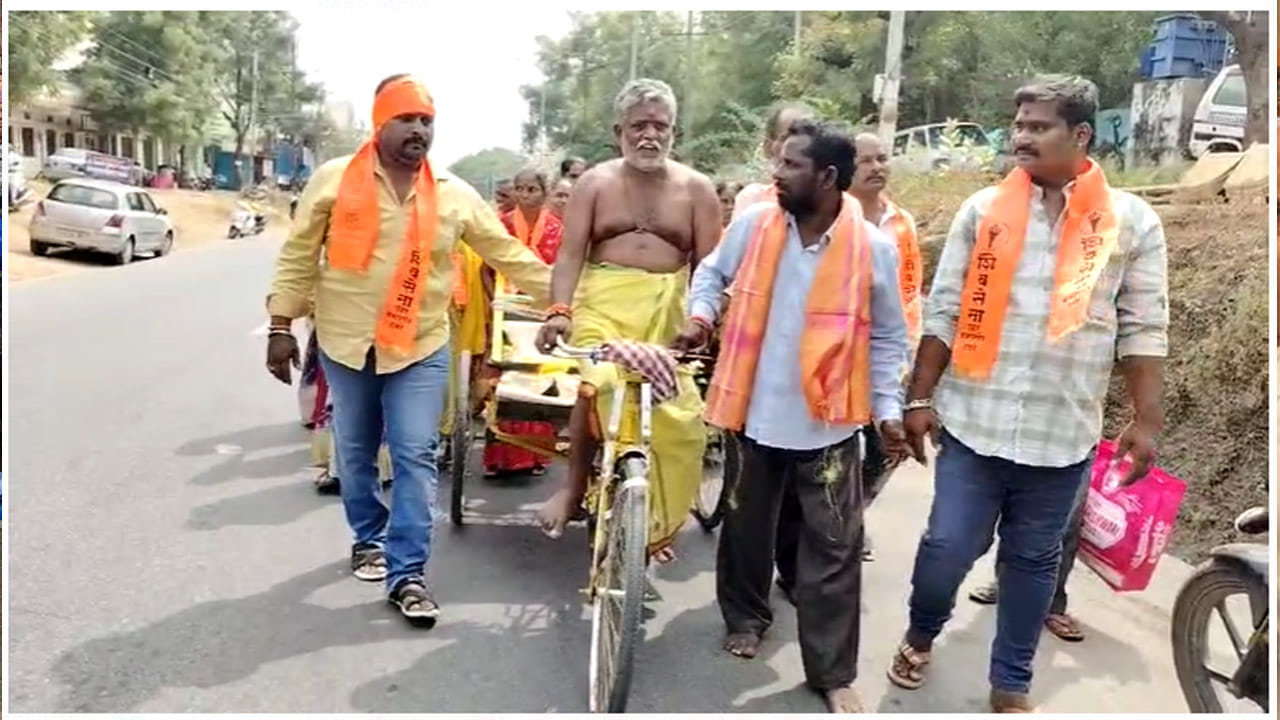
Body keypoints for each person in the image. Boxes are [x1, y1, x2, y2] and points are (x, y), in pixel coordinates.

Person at [887, 75, 1168, 713]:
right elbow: (945, 310)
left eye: (1038, 126)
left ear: (1081, 135)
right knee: (948, 546)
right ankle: (920, 633)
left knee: (1034, 560)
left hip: (1061, 434)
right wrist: (919, 397)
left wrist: (1146, 420)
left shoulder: (1131, 223)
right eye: (1018, 124)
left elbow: (1144, 328)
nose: (1021, 136)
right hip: (975, 422)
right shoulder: (983, 211)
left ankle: (1011, 681)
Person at [265, 74, 552, 625]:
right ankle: (368, 536)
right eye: (407, 119)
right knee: (356, 449)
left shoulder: (453, 192)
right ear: (381, 122)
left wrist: (567, 301)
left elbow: (507, 253)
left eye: (427, 121)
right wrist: (281, 324)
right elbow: (299, 255)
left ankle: (408, 573)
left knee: (416, 452)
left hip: (419, 344)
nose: (420, 130)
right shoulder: (333, 180)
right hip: (347, 342)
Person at [672, 119, 910, 714]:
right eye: (777, 162)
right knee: (746, 528)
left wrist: (888, 411)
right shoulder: (754, 225)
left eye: (790, 165)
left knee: (834, 549)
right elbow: (712, 273)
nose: (775, 174)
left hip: (830, 424)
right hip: (753, 411)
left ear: (827, 177)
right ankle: (746, 618)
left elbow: (888, 337)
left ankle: (832, 672)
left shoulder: (874, 249)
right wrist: (701, 316)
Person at [533, 78, 722, 560]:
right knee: (599, 385)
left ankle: (652, 520)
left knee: (684, 423)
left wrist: (703, 322)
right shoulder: (594, 184)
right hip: (602, 310)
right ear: (619, 131)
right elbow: (570, 256)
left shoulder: (697, 190)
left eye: (660, 126)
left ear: (674, 132)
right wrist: (559, 311)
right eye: (639, 126)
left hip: (668, 317)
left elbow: (710, 270)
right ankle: (573, 489)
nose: (649, 135)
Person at [483, 166, 564, 477]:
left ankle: (536, 454)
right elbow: (485, 269)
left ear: (544, 193)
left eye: (532, 189)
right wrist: (493, 303)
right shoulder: (501, 225)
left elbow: (563, 271)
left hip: (543, 308)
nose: (525, 195)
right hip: (506, 306)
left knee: (539, 373)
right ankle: (501, 456)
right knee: (506, 375)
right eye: (520, 189)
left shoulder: (556, 228)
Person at [732, 101, 816, 218]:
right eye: (787, 138)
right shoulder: (754, 200)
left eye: (810, 138)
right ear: (768, 147)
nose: (800, 146)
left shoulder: (836, 203)